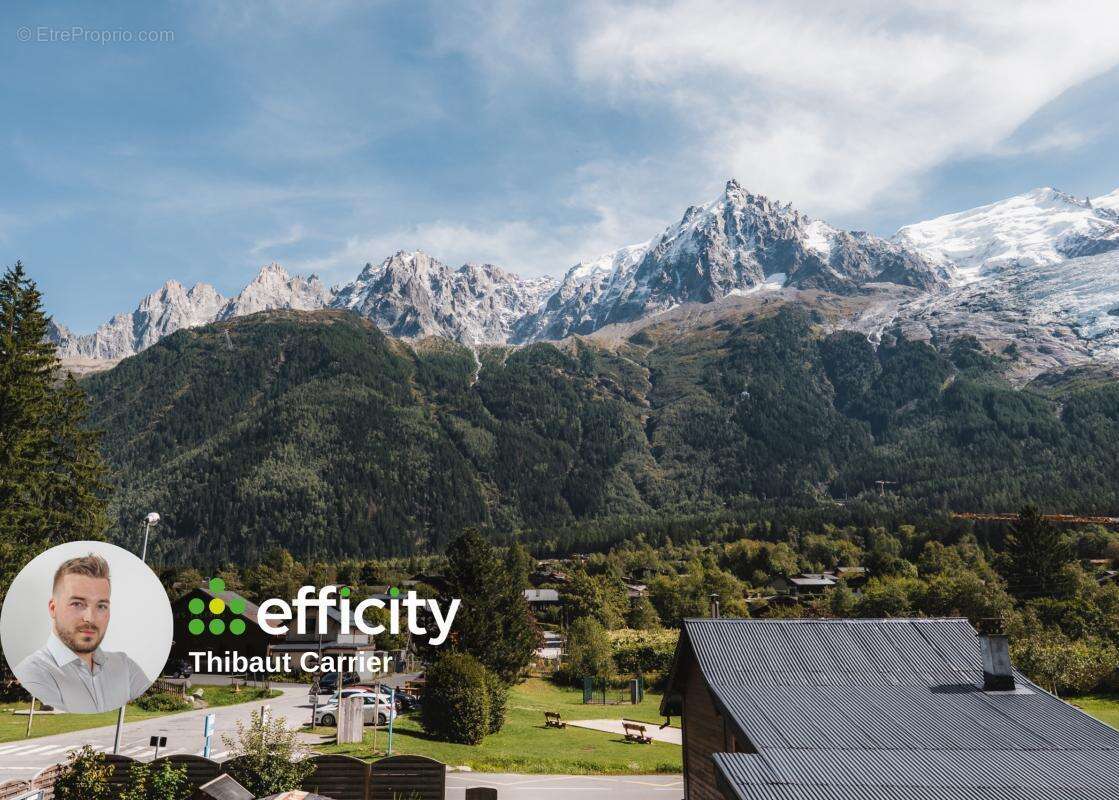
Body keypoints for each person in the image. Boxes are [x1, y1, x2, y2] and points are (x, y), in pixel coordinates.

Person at [13, 554, 151, 713]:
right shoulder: (33, 671)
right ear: (53, 608)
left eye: (101, 606)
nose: (89, 618)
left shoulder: (125, 666)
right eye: (77, 604)